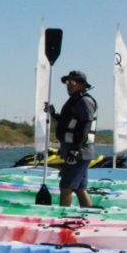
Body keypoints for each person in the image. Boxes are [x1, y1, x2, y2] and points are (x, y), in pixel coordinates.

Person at [48, 70, 97, 208]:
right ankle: (88, 213)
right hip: (75, 152)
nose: (68, 85)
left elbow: (85, 126)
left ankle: (63, 216)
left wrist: (75, 150)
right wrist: (54, 114)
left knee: (66, 186)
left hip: (79, 153)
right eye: (67, 82)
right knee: (80, 188)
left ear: (82, 84)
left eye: (72, 82)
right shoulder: (74, 101)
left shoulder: (85, 101)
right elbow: (67, 122)